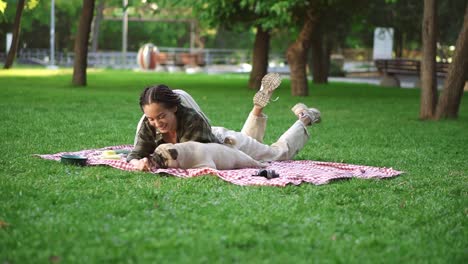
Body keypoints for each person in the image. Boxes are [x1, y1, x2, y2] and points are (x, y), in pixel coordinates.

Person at [127, 73, 321, 171]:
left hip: (224, 142)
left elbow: (200, 157)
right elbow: (135, 154)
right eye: (151, 118)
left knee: (276, 155)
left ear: (174, 108)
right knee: (254, 146)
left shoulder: (192, 120)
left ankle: (305, 118)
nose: (156, 123)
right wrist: (139, 162)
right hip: (221, 147)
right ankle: (258, 107)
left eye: (161, 116)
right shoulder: (148, 124)